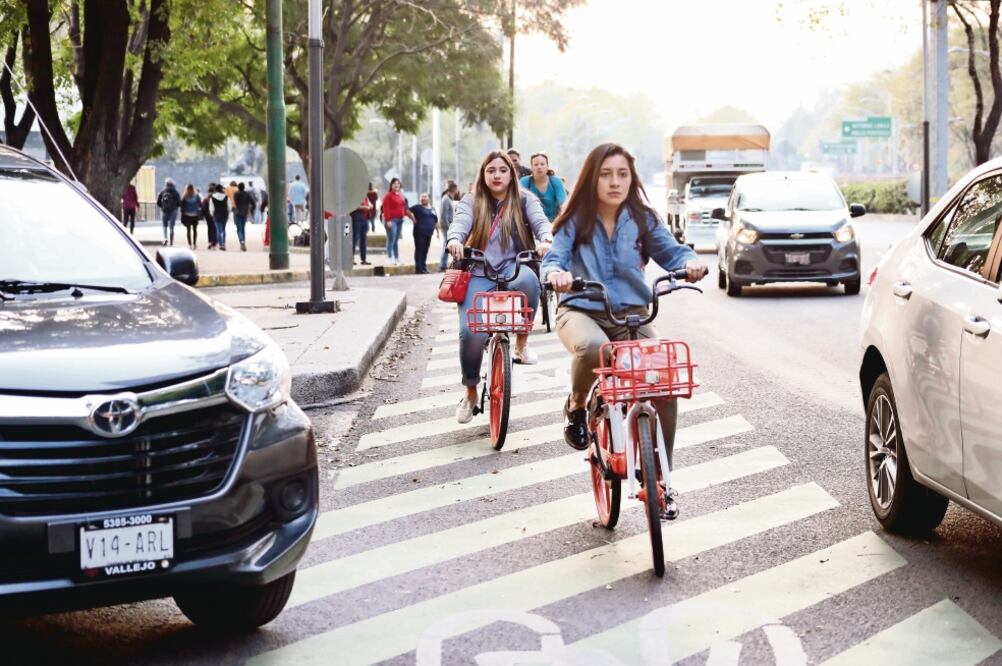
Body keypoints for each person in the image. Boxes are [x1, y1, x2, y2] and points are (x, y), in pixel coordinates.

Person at [540, 143, 707, 464]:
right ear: (592, 179)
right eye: (605, 174)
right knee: (594, 348)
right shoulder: (575, 220)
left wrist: (690, 263)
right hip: (580, 311)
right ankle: (577, 405)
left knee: (663, 381)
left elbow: (672, 252)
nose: (615, 182)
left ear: (632, 178)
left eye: (622, 174)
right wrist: (555, 274)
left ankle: (660, 474)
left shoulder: (643, 219)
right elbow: (554, 258)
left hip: (632, 316)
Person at [446, 150, 553, 424]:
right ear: (483, 174)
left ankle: (520, 345)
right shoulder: (472, 200)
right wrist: (455, 240)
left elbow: (541, 222)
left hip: (512, 268)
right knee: (470, 332)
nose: (497, 175)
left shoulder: (525, 199)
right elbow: (459, 223)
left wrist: (545, 239)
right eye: (491, 170)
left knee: (530, 282)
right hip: (478, 272)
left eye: (503, 170)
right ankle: (470, 392)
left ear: (511, 174)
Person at [520, 152, 567, 223]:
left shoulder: (556, 181)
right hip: (530, 223)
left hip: (553, 223)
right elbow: (517, 203)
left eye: (542, 164)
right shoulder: (524, 182)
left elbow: (563, 204)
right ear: (531, 167)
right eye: (536, 164)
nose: (539, 167)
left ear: (547, 166)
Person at [381, 178, 413, 266]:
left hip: (400, 220)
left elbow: (403, 207)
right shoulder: (388, 195)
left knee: (396, 240)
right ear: (391, 185)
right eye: (394, 183)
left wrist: (407, 216)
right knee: (391, 239)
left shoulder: (401, 195)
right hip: (391, 220)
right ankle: (389, 258)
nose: (396, 185)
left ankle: (397, 258)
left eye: (398, 183)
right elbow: (385, 208)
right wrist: (388, 220)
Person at [409, 193, 438, 274]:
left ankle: (423, 267)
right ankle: (418, 268)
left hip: (429, 233)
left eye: (424, 197)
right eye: (421, 197)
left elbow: (435, 221)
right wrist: (412, 218)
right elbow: (407, 210)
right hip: (419, 232)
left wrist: (438, 232)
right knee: (419, 249)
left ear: (429, 198)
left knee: (425, 250)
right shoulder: (417, 207)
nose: (423, 199)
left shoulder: (432, 209)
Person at [438, 181, 460, 271]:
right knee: (446, 246)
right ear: (454, 190)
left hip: (450, 226)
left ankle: (444, 264)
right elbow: (443, 215)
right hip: (447, 227)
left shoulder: (449, 199)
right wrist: (448, 228)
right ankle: (442, 265)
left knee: (448, 245)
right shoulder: (446, 199)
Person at [155, 178, 181, 246]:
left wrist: (162, 207)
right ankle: (171, 242)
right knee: (171, 227)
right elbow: (179, 202)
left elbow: (158, 202)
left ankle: (165, 239)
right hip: (173, 211)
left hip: (164, 211)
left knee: (164, 226)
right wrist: (175, 207)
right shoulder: (175, 192)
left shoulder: (163, 191)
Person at [180, 183, 202, 249]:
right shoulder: (197, 196)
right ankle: (194, 244)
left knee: (188, 230)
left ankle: (190, 244)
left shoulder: (184, 196)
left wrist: (182, 214)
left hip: (187, 215)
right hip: (195, 215)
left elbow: (182, 206)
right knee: (195, 230)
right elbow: (200, 205)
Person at [233, 182, 254, 251]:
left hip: (237, 212)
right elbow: (253, 203)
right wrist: (251, 210)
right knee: (243, 228)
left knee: (239, 229)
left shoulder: (236, 194)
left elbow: (235, 202)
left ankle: (241, 240)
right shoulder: (247, 194)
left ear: (238, 187)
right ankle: (243, 242)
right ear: (244, 187)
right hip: (245, 213)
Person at [350, 197, 372, 265]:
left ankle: (363, 259)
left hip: (365, 218)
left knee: (363, 239)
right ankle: (351, 259)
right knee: (355, 238)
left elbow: (370, 204)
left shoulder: (365, 196)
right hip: (356, 218)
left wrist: (369, 206)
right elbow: (351, 206)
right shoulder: (355, 195)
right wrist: (364, 207)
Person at [210, 184, 230, 251]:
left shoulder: (212, 197)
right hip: (224, 214)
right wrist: (228, 213)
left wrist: (212, 214)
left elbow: (211, 208)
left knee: (218, 230)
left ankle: (220, 244)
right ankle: (223, 244)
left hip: (216, 214)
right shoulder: (226, 196)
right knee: (223, 229)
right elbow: (229, 207)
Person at [202, 182, 218, 250]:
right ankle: (214, 242)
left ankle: (210, 242)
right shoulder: (216, 198)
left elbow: (203, 208)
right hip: (215, 215)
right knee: (214, 229)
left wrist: (203, 216)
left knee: (209, 229)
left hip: (208, 216)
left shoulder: (206, 199)